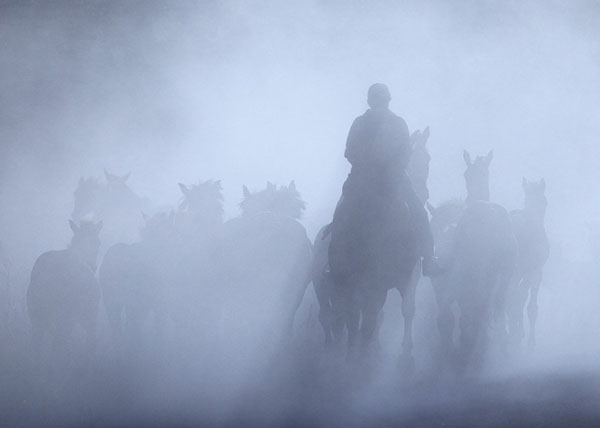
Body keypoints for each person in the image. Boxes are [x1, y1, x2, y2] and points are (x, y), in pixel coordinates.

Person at [330, 83, 439, 277]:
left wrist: (366, 166)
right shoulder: (398, 123)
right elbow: (406, 153)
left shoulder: (359, 122)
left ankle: (333, 263)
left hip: (360, 182)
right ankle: (429, 261)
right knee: (419, 214)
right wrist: (390, 168)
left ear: (370, 101)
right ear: (388, 100)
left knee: (340, 217)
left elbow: (349, 152)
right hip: (394, 181)